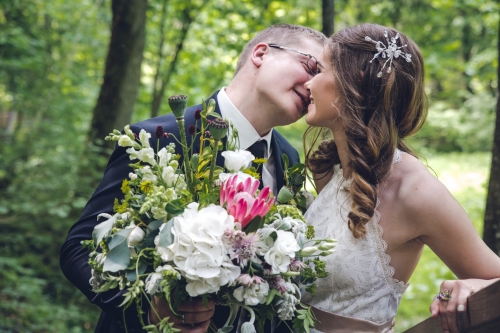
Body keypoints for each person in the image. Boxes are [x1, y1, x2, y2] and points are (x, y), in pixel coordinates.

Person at [60, 24, 326, 333]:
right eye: (310, 67)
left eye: (322, 79)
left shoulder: (289, 161)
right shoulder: (157, 139)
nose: (314, 86)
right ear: (261, 53)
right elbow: (78, 249)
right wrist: (148, 311)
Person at [301, 23, 500, 333]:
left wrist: (467, 288)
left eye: (319, 70)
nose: (308, 82)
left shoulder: (415, 190)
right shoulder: (330, 168)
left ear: (353, 81)